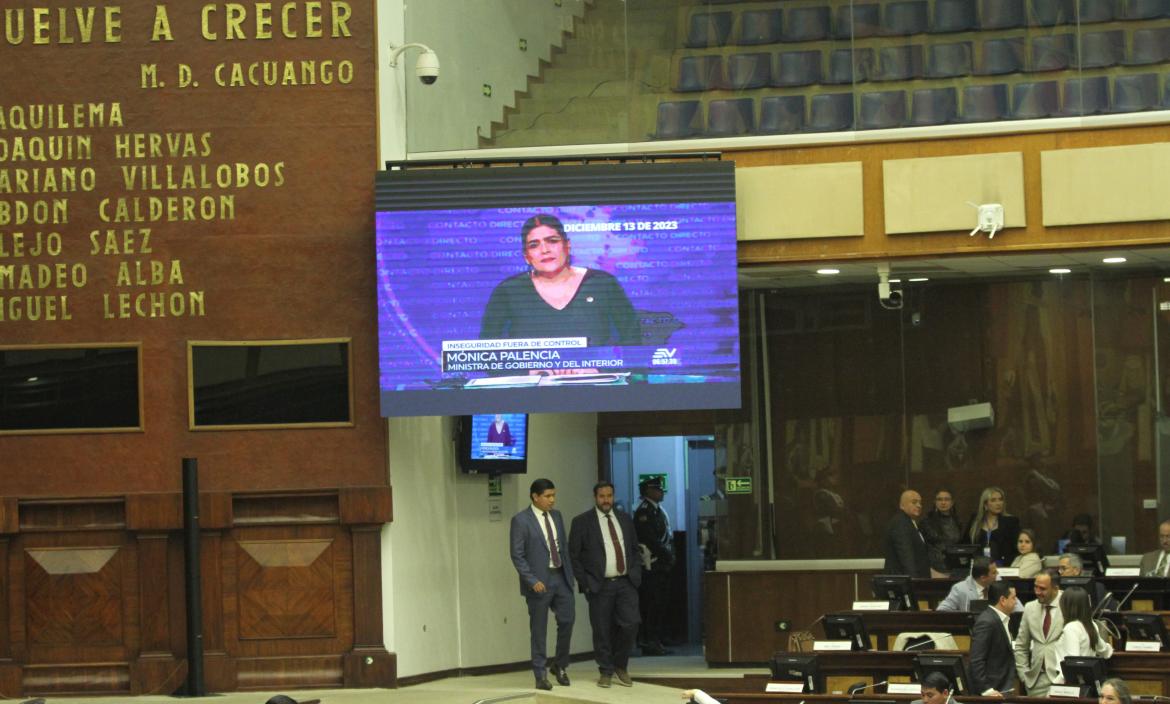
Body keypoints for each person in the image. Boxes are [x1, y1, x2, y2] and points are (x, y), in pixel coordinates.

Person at [479, 213, 641, 346]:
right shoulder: (508, 291)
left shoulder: (602, 284)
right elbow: (487, 352)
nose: (545, 250)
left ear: (567, 245)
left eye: (552, 241)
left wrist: (599, 366)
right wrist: (530, 371)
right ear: (526, 256)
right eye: (534, 245)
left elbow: (633, 340)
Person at [569, 481, 642, 689]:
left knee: (631, 624)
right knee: (601, 630)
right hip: (599, 585)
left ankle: (620, 665)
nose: (606, 500)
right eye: (602, 496)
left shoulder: (625, 520)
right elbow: (574, 556)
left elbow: (634, 550)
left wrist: (635, 573)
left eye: (609, 496)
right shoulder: (582, 522)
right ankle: (606, 671)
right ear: (595, 497)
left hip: (626, 582)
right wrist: (586, 583)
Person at [509, 478, 575, 690]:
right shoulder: (521, 520)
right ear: (535, 497)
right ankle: (540, 674)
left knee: (567, 621)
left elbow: (562, 546)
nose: (552, 500)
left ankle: (560, 665)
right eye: (547, 496)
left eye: (553, 495)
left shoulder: (557, 516)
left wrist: (570, 575)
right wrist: (531, 580)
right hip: (539, 581)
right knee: (539, 630)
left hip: (560, 577)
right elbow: (517, 555)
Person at [635, 477, 674, 655]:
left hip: (662, 565)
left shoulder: (659, 511)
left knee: (661, 604)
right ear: (648, 492)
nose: (661, 493)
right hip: (651, 565)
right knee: (651, 604)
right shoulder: (644, 512)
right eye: (657, 490)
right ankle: (649, 641)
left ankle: (658, 638)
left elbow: (667, 535)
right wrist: (666, 554)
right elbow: (649, 538)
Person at [1014, 570, 1065, 697]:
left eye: (1042, 588)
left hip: (1062, 679)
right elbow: (1021, 645)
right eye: (1035, 587)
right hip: (1035, 681)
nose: (1037, 592)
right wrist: (1024, 675)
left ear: (1055, 588)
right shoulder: (1029, 607)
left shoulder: (1068, 604)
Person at [1052, 586, 1113, 683]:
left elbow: (1072, 664)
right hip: (1085, 682)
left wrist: (1054, 687)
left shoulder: (1071, 628)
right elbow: (1105, 651)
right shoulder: (1091, 624)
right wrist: (1110, 648)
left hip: (1069, 684)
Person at [969, 580, 1019, 696]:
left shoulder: (1002, 619)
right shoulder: (987, 622)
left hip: (1002, 688)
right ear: (1002, 600)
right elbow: (976, 660)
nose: (1016, 602)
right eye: (1013, 598)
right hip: (992, 692)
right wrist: (986, 689)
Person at [937, 557, 1021, 612]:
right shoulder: (959, 589)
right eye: (994, 573)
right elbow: (941, 610)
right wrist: (964, 615)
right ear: (983, 577)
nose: (998, 574)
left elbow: (1019, 609)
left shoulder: (999, 585)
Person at [966, 486, 1021, 565]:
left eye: (1000, 499)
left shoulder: (1011, 522)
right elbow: (966, 545)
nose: (998, 503)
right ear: (985, 504)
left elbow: (1017, 548)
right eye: (993, 500)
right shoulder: (975, 521)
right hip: (979, 568)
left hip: (1003, 567)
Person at [882, 489, 930, 578]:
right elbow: (906, 556)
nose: (919, 505)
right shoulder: (901, 523)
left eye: (920, 503)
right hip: (904, 582)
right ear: (902, 505)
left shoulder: (909, 522)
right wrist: (914, 581)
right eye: (914, 502)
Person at [921, 488, 963, 578]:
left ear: (952, 502)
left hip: (955, 568)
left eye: (946, 499)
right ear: (935, 502)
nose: (943, 502)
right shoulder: (927, 521)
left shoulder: (957, 521)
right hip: (934, 569)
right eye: (939, 499)